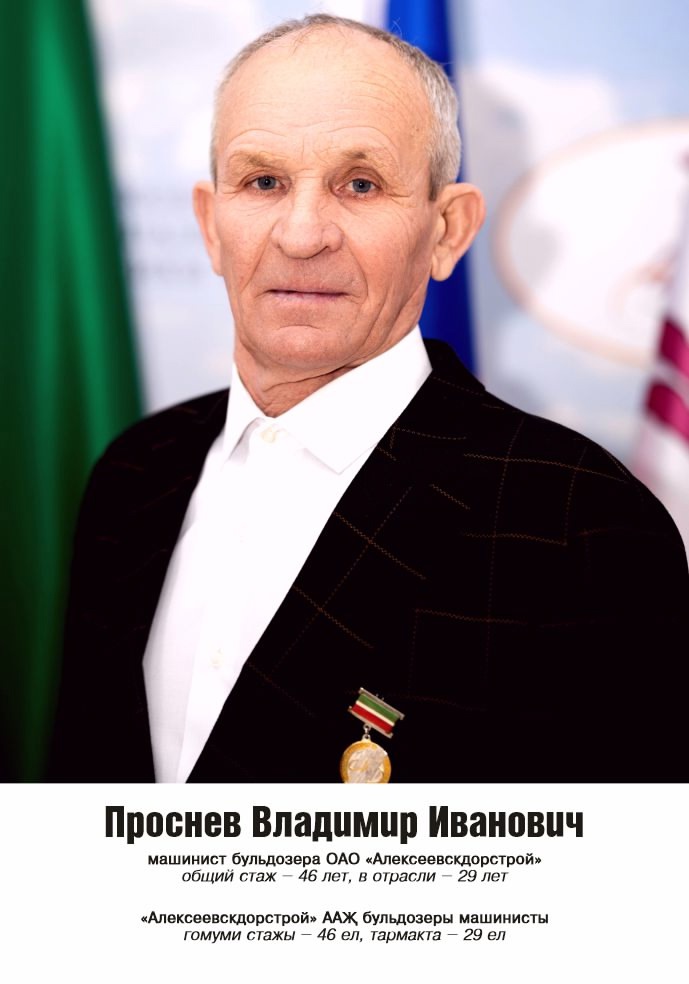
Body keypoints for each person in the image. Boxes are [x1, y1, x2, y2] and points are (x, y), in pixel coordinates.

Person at [50, 14, 688, 784]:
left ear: (446, 230)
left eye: (359, 184)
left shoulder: (582, 525)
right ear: (211, 225)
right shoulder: (135, 473)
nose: (301, 234)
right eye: (262, 182)